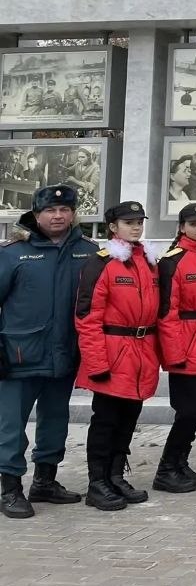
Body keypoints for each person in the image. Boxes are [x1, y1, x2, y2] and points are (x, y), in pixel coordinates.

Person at [0, 185, 97, 518]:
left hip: (65, 353)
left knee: (56, 419)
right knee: (11, 425)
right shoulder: (12, 253)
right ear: (36, 214)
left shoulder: (88, 251)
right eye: (50, 211)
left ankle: (45, 481)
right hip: (18, 356)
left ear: (73, 213)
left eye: (64, 210)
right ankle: (10, 489)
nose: (58, 216)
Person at [75, 201, 160, 511]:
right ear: (113, 227)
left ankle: (115, 476)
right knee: (106, 421)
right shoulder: (101, 263)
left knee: (127, 420)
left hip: (141, 353)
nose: (136, 227)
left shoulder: (148, 261)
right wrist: (97, 363)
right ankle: (97, 484)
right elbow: (87, 317)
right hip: (112, 353)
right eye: (128, 222)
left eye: (139, 221)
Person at [154, 202, 196, 494]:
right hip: (184, 344)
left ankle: (180, 464)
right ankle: (166, 469)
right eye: (194, 224)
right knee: (187, 411)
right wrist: (174, 354)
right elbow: (167, 313)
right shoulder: (172, 261)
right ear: (182, 227)